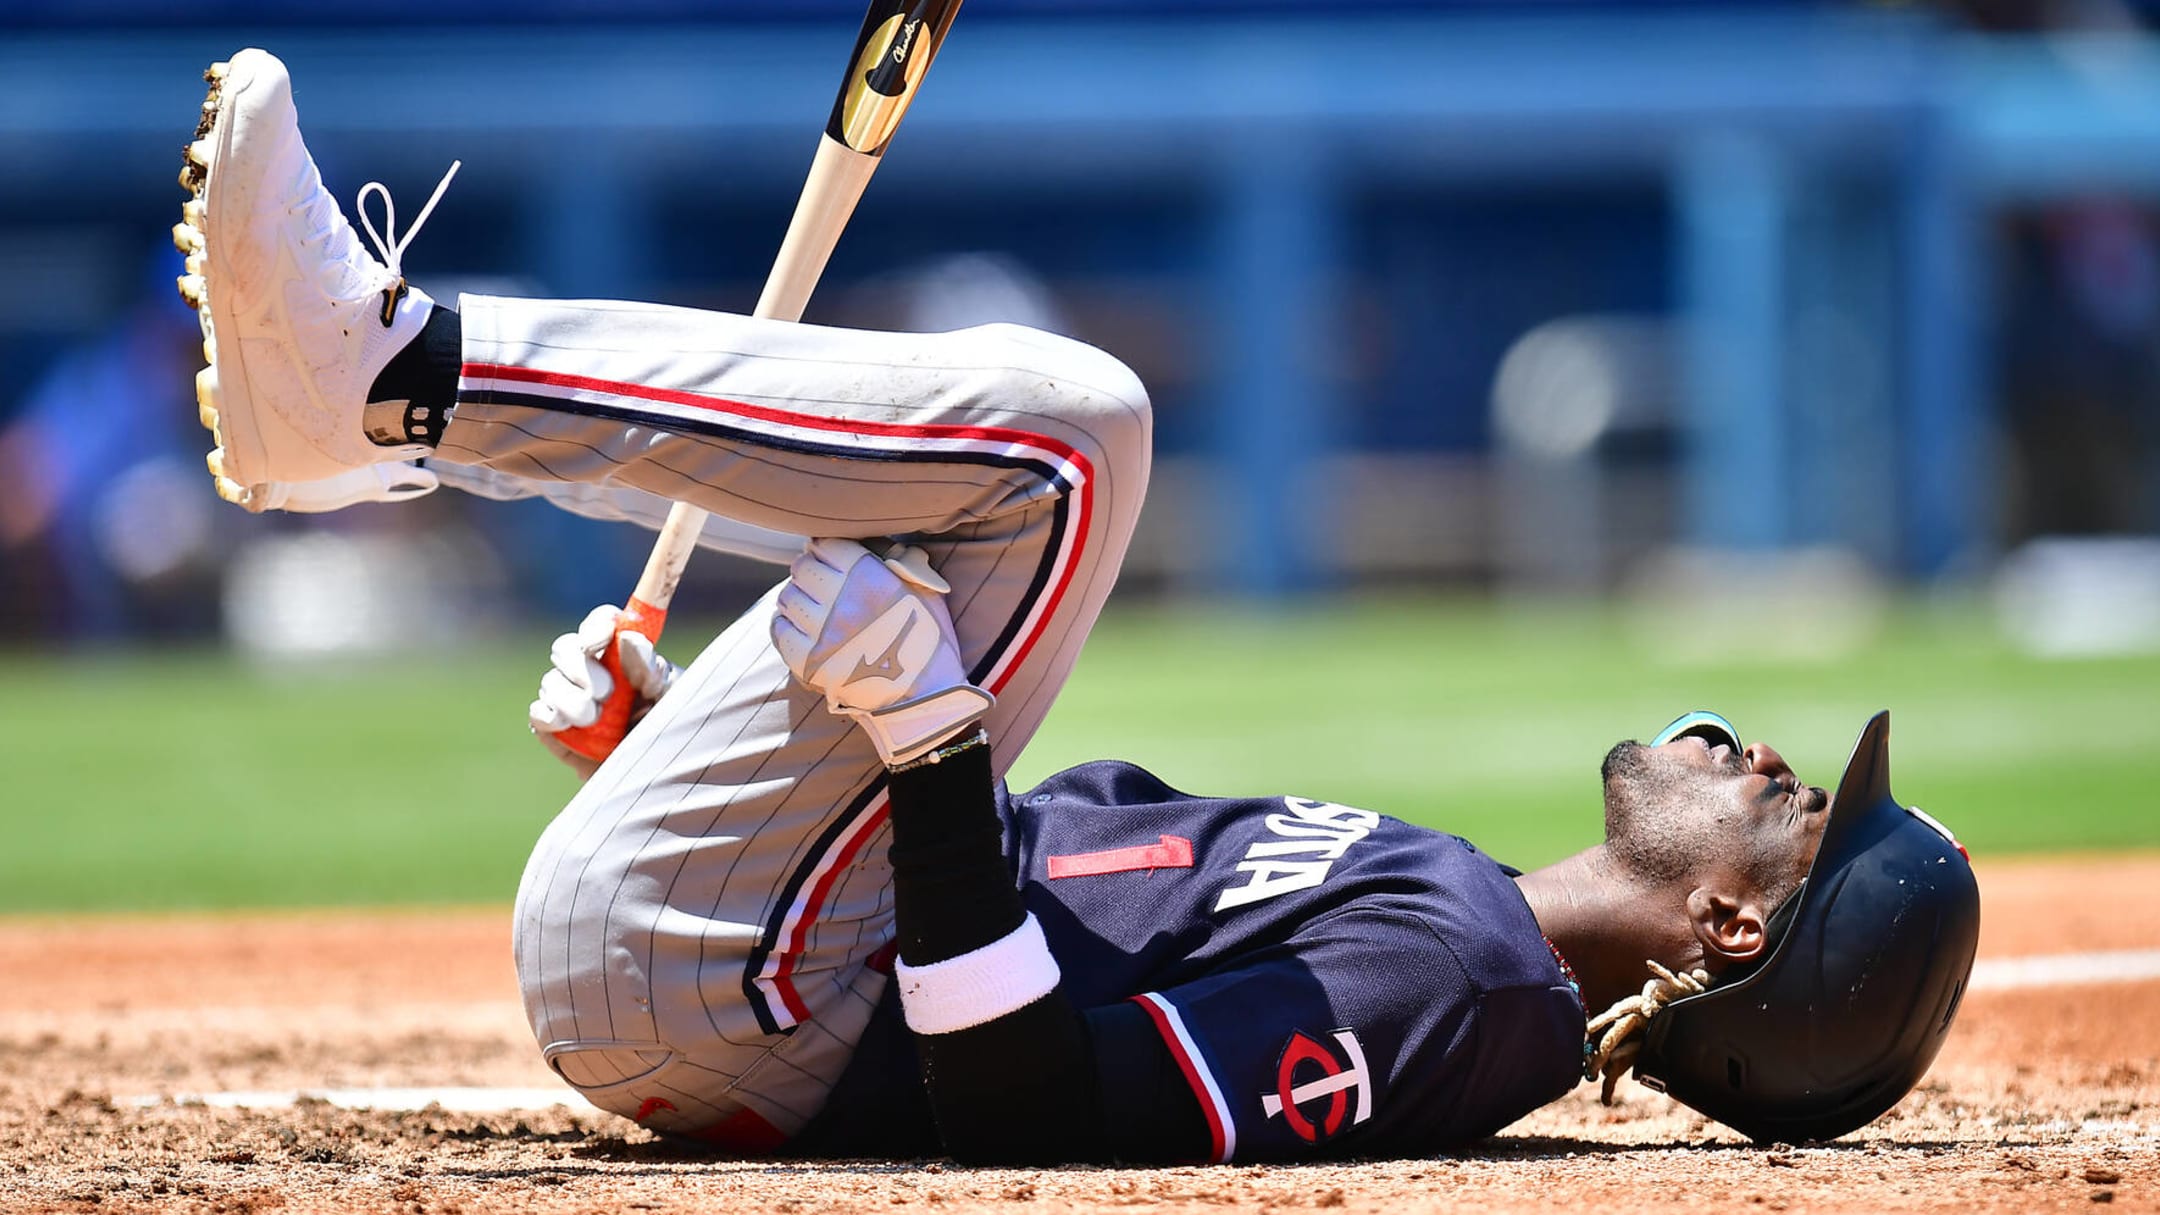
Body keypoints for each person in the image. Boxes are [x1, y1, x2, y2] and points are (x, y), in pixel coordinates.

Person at [173, 49, 1980, 1163]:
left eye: (1794, 803)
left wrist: (935, 750)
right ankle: (396, 413)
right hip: (733, 950)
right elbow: (986, 884)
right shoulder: (1459, 910)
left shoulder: (1455, 992)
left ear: (1733, 931)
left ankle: (400, 388)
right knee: (949, 532)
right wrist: (686, 758)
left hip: (753, 1010)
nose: (1759, 753)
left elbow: (1029, 1112)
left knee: (1070, 446)